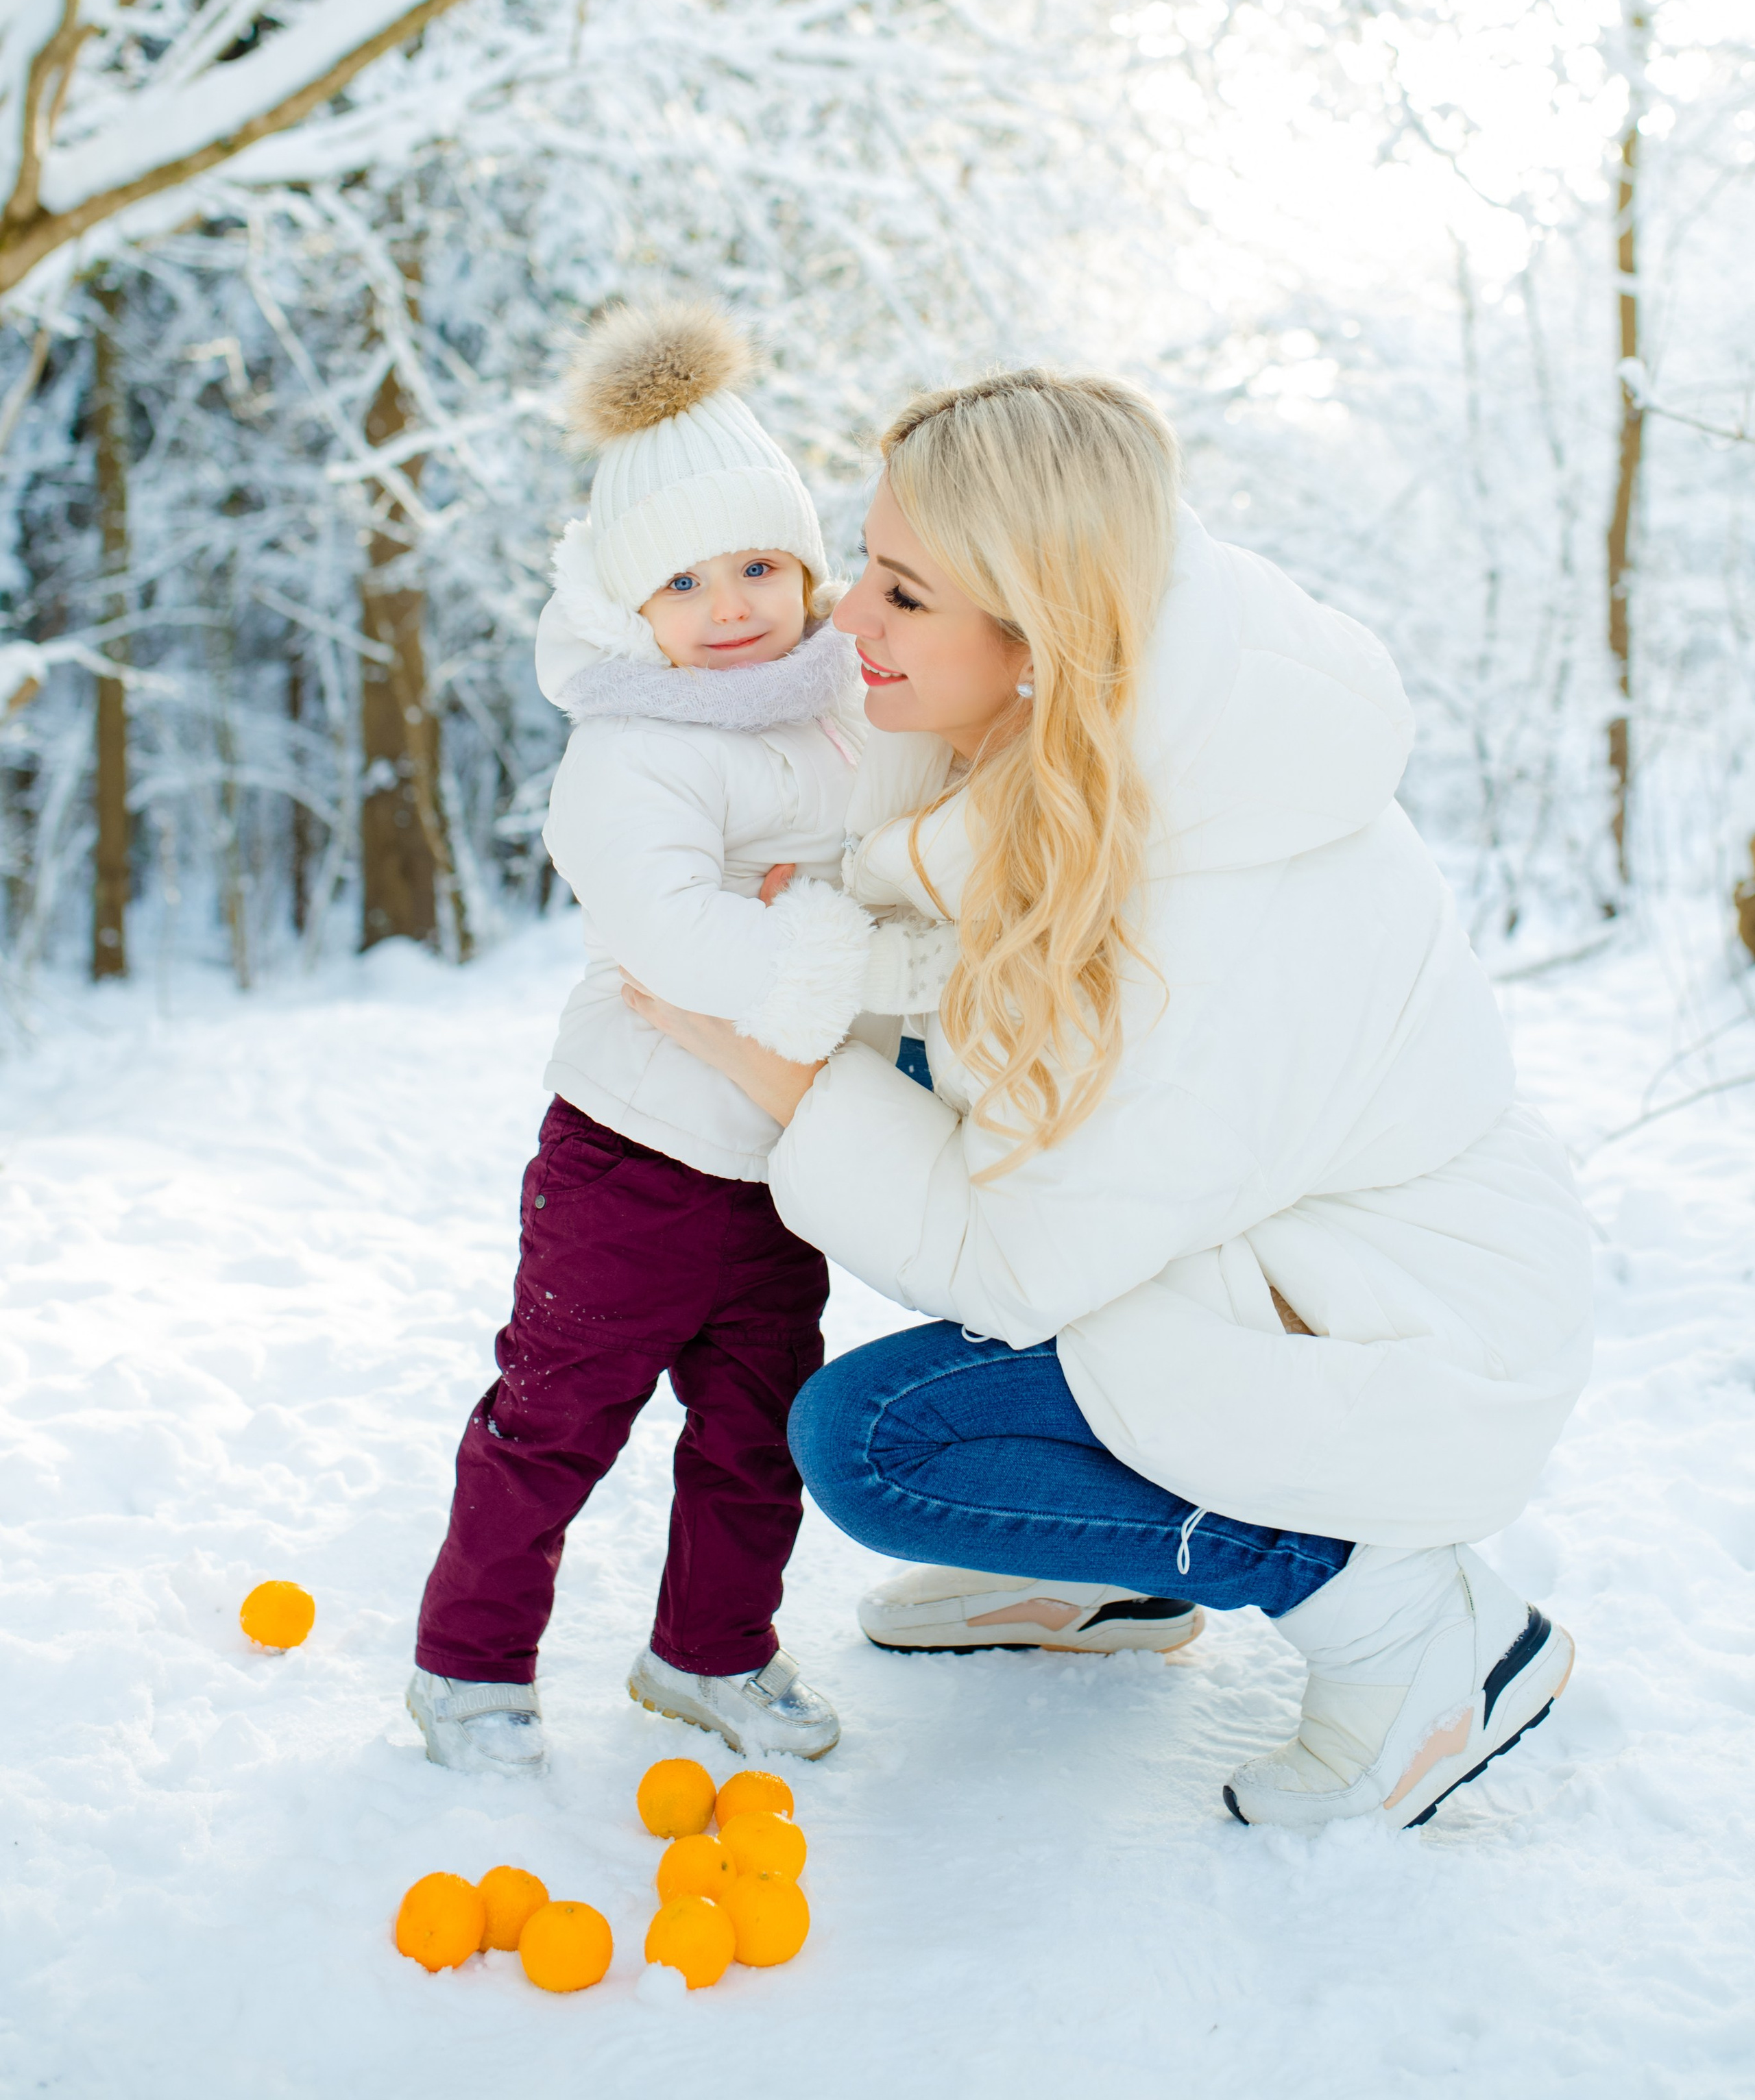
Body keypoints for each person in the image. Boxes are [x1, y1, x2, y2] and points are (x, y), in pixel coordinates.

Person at [624, 369, 1595, 1831]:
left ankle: (1404, 1623)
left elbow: (1016, 1255)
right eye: (864, 567)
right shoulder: (1107, 730)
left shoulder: (1198, 906)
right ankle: (1101, 1575)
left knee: (882, 1443)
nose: (844, 618)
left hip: (1395, 1336)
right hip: (1267, 1257)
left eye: (900, 592)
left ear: (1033, 630)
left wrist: (773, 1057)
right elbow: (1011, 1073)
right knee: (1001, 1279)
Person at [407, 298, 902, 1772]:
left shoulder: (837, 712)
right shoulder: (630, 752)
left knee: (759, 1432)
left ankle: (711, 1656)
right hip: (630, 1160)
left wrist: (841, 918)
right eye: (686, 580)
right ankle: (471, 1669)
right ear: (636, 607)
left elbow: (889, 856)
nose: (733, 601)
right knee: (554, 1420)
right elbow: (679, 936)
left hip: (776, 1162)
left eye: (760, 562)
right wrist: (831, 937)